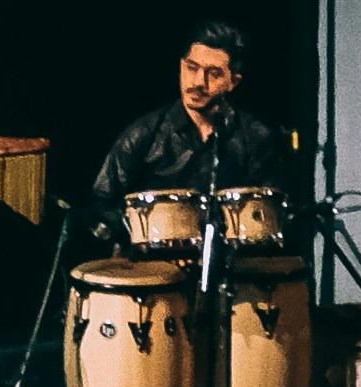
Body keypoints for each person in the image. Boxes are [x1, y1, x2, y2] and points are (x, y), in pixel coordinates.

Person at [85, 20, 290, 240]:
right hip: (155, 266)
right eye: (192, 68)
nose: (199, 81)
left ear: (233, 82)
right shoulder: (143, 134)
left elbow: (275, 208)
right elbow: (102, 203)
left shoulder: (257, 137)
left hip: (231, 265)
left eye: (213, 73)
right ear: (181, 66)